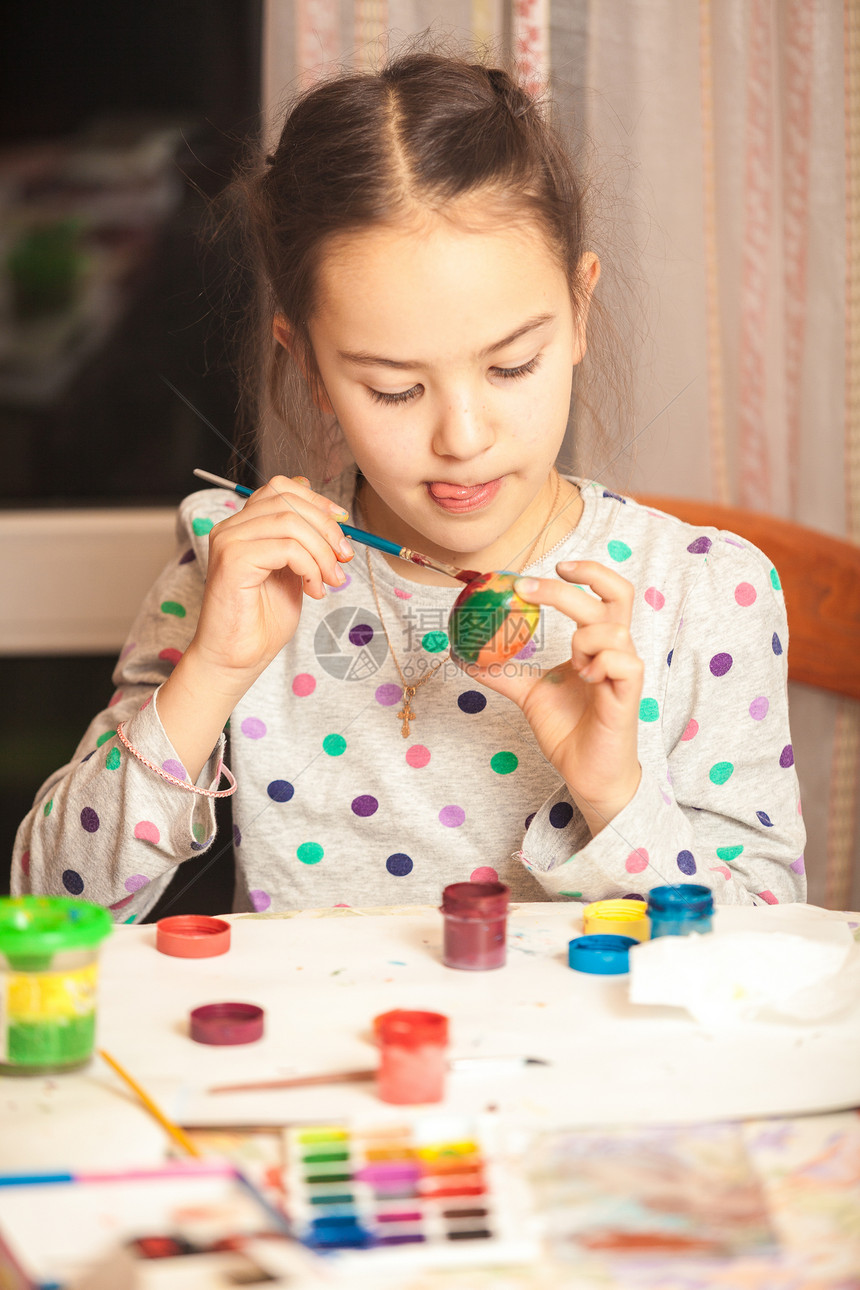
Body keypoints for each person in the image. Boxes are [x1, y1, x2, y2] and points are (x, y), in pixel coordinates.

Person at [12, 51, 805, 919]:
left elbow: (770, 951)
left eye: (511, 366)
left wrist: (616, 798)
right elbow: (50, 909)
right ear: (308, 364)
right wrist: (208, 674)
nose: (461, 440)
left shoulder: (707, 592)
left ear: (579, 311)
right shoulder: (233, 577)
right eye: (394, 388)